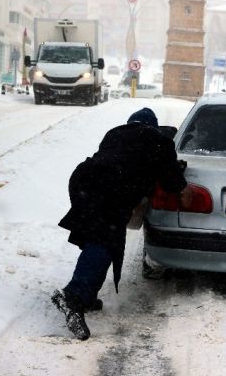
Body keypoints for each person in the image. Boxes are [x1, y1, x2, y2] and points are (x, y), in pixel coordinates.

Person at [52, 108, 187, 340]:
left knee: (98, 237)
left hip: (83, 180)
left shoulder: (114, 133)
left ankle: (86, 295)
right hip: (111, 189)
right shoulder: (159, 141)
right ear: (153, 126)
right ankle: (73, 295)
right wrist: (178, 170)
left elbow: (123, 157)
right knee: (104, 241)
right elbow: (172, 182)